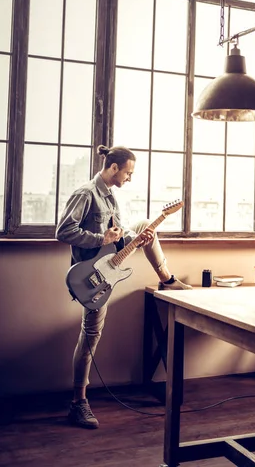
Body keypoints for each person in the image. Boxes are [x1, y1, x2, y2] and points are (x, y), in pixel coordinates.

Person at [56, 144, 192, 429]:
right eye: (128, 173)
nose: (130, 178)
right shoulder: (85, 193)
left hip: (111, 265)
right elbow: (63, 231)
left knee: (144, 226)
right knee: (90, 335)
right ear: (113, 168)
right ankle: (78, 403)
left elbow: (117, 232)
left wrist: (131, 236)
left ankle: (167, 279)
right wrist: (100, 239)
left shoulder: (111, 197)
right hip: (92, 275)